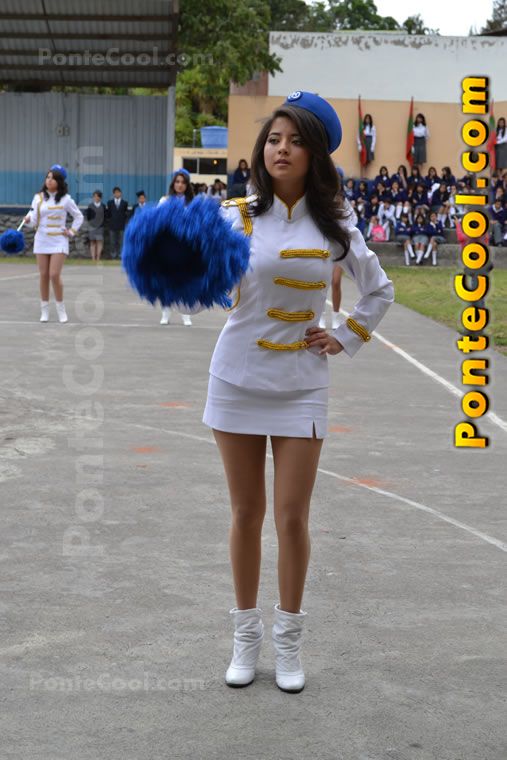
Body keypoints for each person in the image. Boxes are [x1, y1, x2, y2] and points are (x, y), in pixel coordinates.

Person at [181, 91, 394, 695]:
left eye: (296, 141)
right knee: (246, 514)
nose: (281, 149)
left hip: (302, 385)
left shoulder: (336, 225)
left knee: (293, 517)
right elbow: (196, 276)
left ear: (315, 154)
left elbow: (380, 291)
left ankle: (289, 641)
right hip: (236, 377)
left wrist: (344, 336)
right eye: (274, 139)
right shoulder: (234, 214)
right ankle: (244, 638)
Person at [23, 164, 83, 322]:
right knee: (43, 275)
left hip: (59, 240)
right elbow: (34, 220)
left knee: (54, 274)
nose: (49, 180)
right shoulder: (38, 198)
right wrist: (28, 221)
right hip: (41, 239)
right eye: (48, 177)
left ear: (60, 182)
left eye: (53, 178)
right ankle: (44, 310)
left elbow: (79, 216)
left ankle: (61, 308)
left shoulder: (66, 199)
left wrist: (71, 232)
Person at [159, 170, 195, 326]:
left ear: (187, 185)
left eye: (183, 182)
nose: (180, 185)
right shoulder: (165, 200)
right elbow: (158, 221)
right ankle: (165, 313)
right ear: (173, 184)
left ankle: (186, 314)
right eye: (177, 182)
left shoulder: (192, 203)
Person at [106, 187, 129, 259]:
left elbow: (125, 214)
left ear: (120, 193)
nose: (117, 194)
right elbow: (108, 214)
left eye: (118, 192)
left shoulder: (124, 203)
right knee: (112, 241)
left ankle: (120, 255)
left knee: (121, 241)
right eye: (115, 193)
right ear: (113, 194)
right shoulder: (110, 203)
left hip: (121, 225)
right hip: (112, 225)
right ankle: (113, 255)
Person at [86, 190, 106, 263]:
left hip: (100, 227)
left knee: (99, 242)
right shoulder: (90, 206)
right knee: (92, 242)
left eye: (97, 196)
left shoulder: (103, 206)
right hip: (92, 227)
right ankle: (93, 258)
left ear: (100, 198)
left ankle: (98, 258)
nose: (96, 198)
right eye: (94, 196)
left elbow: (105, 216)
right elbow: (88, 216)